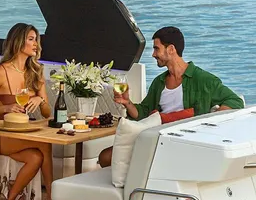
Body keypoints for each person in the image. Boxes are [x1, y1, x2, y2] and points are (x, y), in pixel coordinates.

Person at [98, 26, 244, 168]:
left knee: (107, 157)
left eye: (156, 48)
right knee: (105, 157)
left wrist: (212, 122)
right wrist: (126, 102)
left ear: (171, 49)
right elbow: (142, 112)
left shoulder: (203, 80)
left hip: (185, 143)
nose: (153, 54)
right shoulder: (159, 82)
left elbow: (235, 101)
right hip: (157, 138)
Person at [0, 23, 54, 200]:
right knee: (43, 143)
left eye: (36, 39)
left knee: (36, 157)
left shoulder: (35, 72)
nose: (36, 44)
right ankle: (52, 197)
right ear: (18, 41)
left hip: (20, 132)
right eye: (31, 39)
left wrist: (40, 99)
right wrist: (6, 108)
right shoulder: (0, 72)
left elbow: (48, 114)